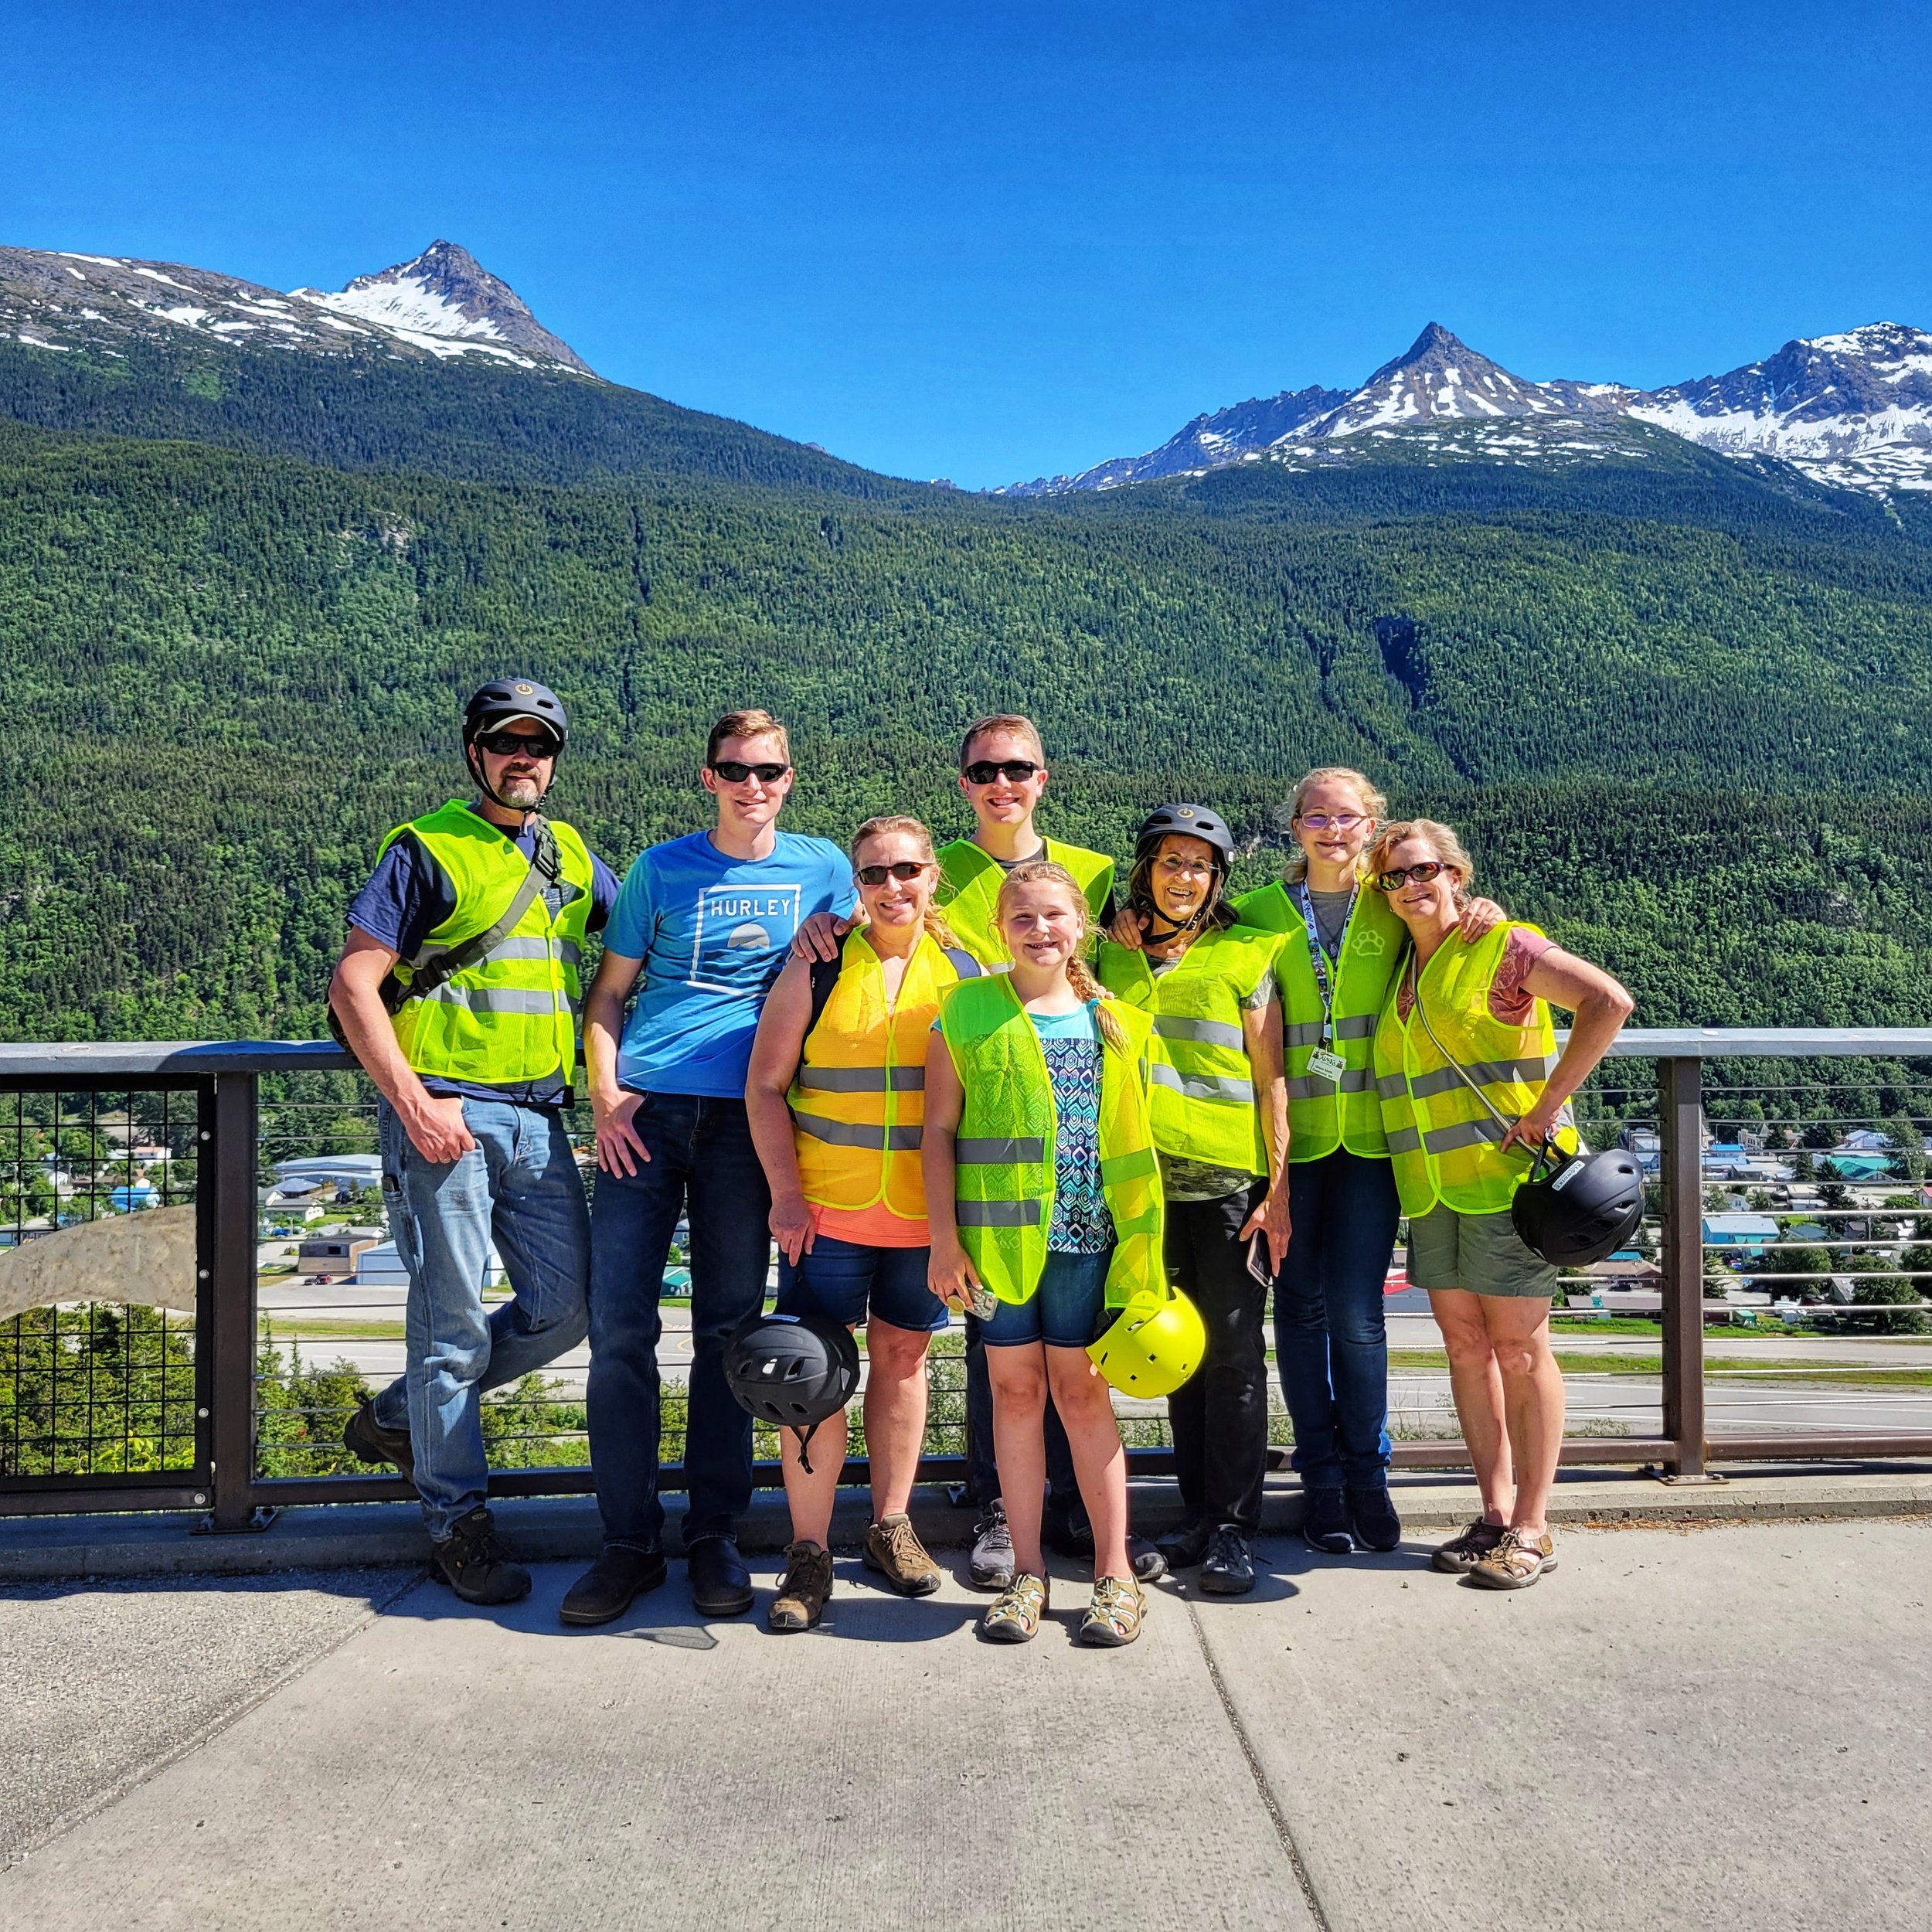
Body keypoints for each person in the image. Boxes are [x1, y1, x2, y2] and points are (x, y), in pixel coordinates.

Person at [1112, 767, 1498, 1558]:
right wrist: (1122, 919)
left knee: (1356, 1318)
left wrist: (1482, 912)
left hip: (1369, 1141)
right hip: (1280, 1153)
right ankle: (1319, 1483)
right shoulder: (1256, 916)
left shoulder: (1393, 904)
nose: (1331, 828)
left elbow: (1453, 921)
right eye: (1315, 816)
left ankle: (1367, 1476)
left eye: (1347, 816)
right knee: (1294, 1314)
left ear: (1372, 825)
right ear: (1294, 828)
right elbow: (1184, 940)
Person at [796, 713, 1125, 1588]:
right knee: (991, 1373)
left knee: (1068, 1381)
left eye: (1017, 766)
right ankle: (994, 1526)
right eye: (983, 769)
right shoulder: (924, 903)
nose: (1000, 781)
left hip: (1074, 1207)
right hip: (937, 1202)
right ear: (963, 782)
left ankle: (1092, 1548)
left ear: (1043, 775)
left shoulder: (1092, 874)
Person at [564, 710, 857, 1627]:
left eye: (767, 769)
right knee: (617, 1329)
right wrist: (606, 1098)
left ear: (789, 776)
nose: (751, 784)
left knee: (733, 1335)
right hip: (645, 1115)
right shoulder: (660, 868)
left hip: (750, 1120)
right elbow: (608, 994)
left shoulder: (825, 870)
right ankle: (626, 1541)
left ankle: (714, 1535)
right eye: (734, 769)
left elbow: (886, 950)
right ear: (708, 778)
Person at [330, 679, 618, 1606]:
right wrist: (414, 1104)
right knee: (450, 1325)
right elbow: (354, 984)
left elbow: (641, 939)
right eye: (506, 743)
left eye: (538, 745)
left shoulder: (569, 853)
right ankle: (457, 1519)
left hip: (540, 1118)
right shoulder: (427, 847)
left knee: (568, 1305)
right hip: (446, 1116)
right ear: (475, 753)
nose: (523, 758)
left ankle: (396, 1418)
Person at [1367, 818, 1633, 1590]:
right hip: (1433, 1189)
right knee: (1463, 1349)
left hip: (1506, 1186)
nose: (1409, 887)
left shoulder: (1503, 944)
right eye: (1392, 878)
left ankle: (1532, 1526)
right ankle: (1491, 1509)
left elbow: (1606, 1003)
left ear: (1454, 871)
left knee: (1518, 1351)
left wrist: (1549, 1106)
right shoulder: (1398, 970)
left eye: (1422, 871)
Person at [743, 815, 978, 1631]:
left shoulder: (968, 969)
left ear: (932, 877)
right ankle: (807, 1551)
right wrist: (785, 1197)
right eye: (873, 874)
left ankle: (890, 1524)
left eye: (906, 871)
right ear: (856, 881)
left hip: (924, 1217)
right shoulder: (817, 963)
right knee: (811, 1377)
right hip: (826, 1213)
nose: (891, 888)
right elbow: (765, 1086)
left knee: (903, 1361)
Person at [925, 861, 1165, 1646]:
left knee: (1083, 1396)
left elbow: (1134, 1144)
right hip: (997, 1248)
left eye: (1055, 916)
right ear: (999, 929)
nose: (1039, 931)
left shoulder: (1118, 1022)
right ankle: (1026, 1573)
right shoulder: (962, 1013)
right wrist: (943, 1239)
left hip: (1087, 1244)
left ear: (1082, 928)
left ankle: (1113, 1574)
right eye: (1022, 918)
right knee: (1016, 1397)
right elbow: (938, 1133)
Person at [1097, 805, 1289, 1594]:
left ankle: (1235, 1529)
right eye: (1170, 862)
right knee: (1176, 1355)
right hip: (1140, 1187)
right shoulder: (1110, 958)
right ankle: (1195, 1517)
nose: (1185, 877)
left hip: (1226, 1186)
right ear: (1144, 870)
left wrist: (1277, 1191)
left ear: (1217, 879)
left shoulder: (1245, 954)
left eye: (1200, 866)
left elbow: (1270, 1075)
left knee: (1236, 1358)